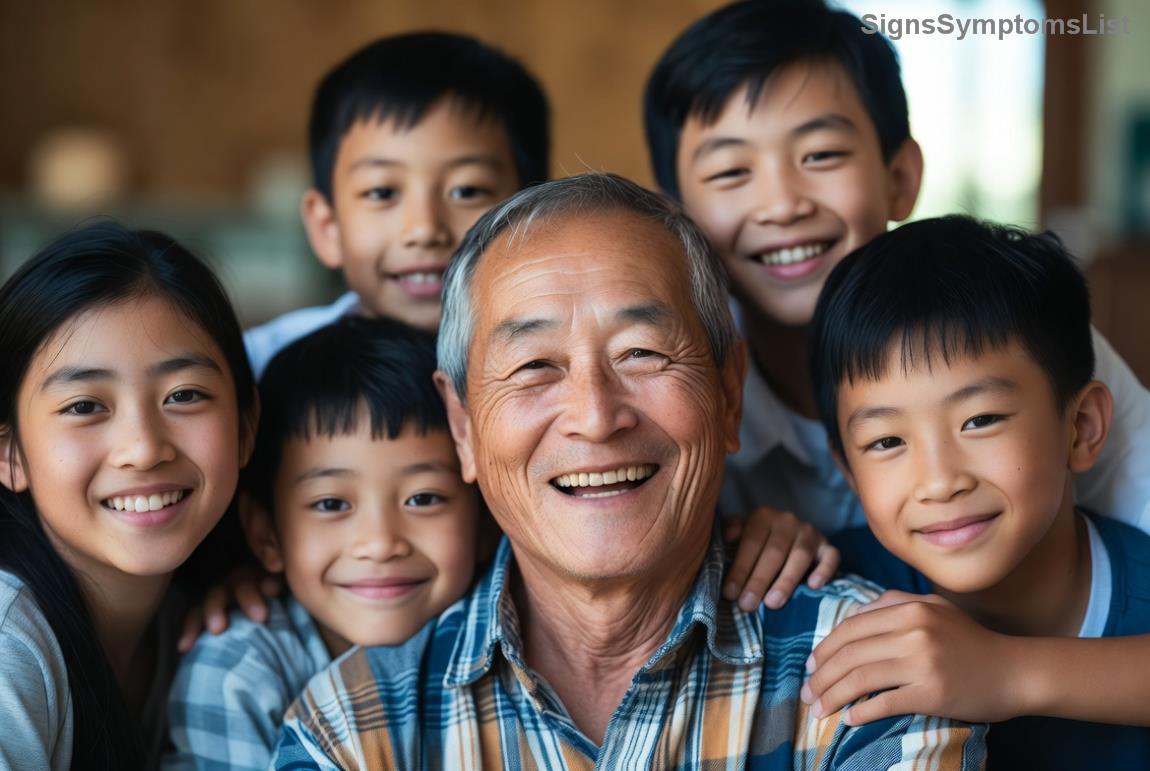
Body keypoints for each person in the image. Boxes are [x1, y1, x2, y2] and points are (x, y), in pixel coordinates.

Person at [271, 173, 985, 769]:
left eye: (643, 352)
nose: (595, 414)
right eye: (533, 366)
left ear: (729, 393)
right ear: (463, 425)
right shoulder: (351, 730)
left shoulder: (878, 674)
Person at [643, 0, 1150, 535]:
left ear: (901, 179)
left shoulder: (1013, 336)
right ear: (675, 219)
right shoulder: (671, 388)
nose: (783, 203)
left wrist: (981, 628)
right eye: (730, 171)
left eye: (820, 156)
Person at [802, 215, 1150, 768]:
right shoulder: (829, 595)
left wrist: (1006, 671)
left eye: (981, 420)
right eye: (887, 440)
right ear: (847, 470)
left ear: (1081, 427)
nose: (940, 481)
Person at [166, 317, 482, 769]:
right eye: (332, 504)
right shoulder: (237, 673)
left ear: (485, 516)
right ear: (266, 535)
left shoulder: (511, 639)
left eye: (424, 498)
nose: (379, 543)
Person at [0, 221, 258, 770]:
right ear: (9, 455)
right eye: (84, 406)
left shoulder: (201, 615)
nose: (143, 449)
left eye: (184, 395)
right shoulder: (7, 646)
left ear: (246, 426)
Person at [243, 31, 550, 378]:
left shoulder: (565, 364)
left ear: (534, 216)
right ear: (327, 227)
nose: (424, 229)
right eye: (382, 193)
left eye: (466, 191)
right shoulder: (258, 369)